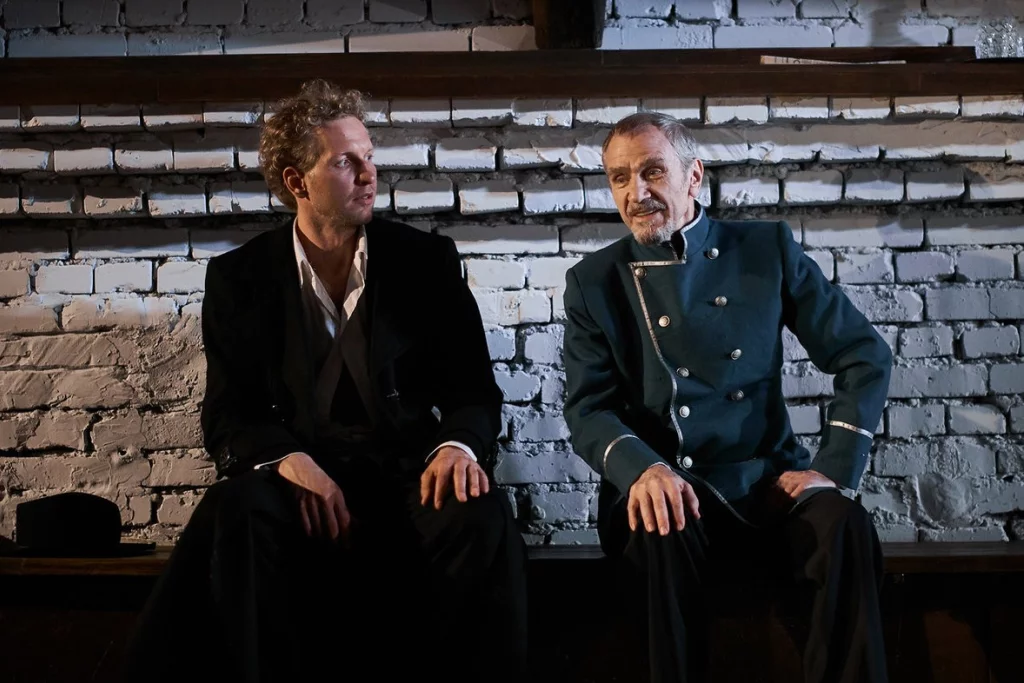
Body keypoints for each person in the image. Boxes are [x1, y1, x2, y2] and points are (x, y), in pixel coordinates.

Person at [123, 80, 527, 682]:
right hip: (300, 477)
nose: (369, 174)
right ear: (297, 182)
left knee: (480, 514)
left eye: (370, 157)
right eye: (345, 162)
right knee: (235, 509)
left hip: (405, 472)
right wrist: (289, 461)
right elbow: (229, 413)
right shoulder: (240, 277)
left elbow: (473, 390)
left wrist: (457, 446)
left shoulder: (425, 261)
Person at [562, 112, 892, 683]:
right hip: (668, 486)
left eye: (652, 171)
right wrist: (642, 471)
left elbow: (864, 354)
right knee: (659, 524)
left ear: (694, 176)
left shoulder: (765, 249)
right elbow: (589, 408)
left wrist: (834, 470)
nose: (636, 193)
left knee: (843, 523)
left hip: (765, 484)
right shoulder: (595, 281)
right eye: (619, 178)